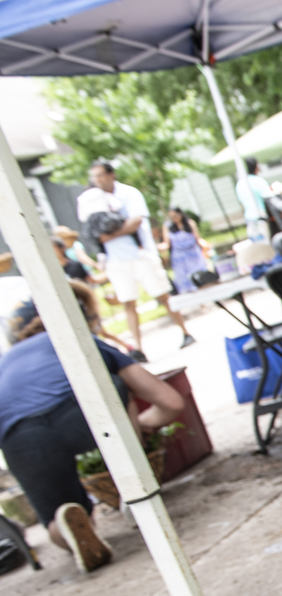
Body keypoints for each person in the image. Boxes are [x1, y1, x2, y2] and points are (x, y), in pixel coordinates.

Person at [0, 286, 184, 573]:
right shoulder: (74, 336)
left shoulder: (4, 362)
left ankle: (71, 527)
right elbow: (170, 401)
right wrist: (141, 425)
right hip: (79, 414)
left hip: (18, 436)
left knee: (57, 517)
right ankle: (132, 481)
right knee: (115, 382)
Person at [75, 160, 194, 357]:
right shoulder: (93, 199)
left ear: (111, 174)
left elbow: (135, 222)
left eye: (101, 175)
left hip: (140, 254)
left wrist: (110, 235)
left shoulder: (128, 194)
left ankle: (185, 331)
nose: (98, 180)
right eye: (94, 177)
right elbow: (93, 229)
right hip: (115, 260)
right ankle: (138, 348)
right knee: (128, 302)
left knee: (162, 295)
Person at [161, 209, 213, 296]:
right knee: (185, 283)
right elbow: (166, 244)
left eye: (175, 216)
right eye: (172, 217)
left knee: (199, 277)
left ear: (180, 214)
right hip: (179, 259)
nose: (174, 218)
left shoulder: (190, 223)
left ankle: (204, 301)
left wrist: (207, 246)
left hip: (194, 256)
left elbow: (198, 239)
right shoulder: (168, 227)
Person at [235, 156, 282, 242]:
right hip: (261, 217)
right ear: (255, 166)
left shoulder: (239, 184)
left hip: (249, 218)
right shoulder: (258, 181)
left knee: (258, 244)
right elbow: (269, 198)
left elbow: (241, 204)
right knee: (268, 243)